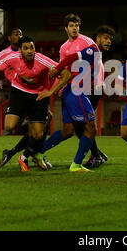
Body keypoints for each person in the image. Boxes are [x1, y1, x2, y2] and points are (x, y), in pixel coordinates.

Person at [0, 36, 58, 172]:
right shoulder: (11, 57)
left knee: (37, 133)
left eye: (32, 47)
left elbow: (61, 72)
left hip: (38, 96)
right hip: (19, 93)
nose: (30, 51)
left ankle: (26, 154)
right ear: (20, 50)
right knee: (9, 126)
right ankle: (31, 144)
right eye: (26, 48)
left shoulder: (42, 60)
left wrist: (53, 90)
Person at [37, 27, 114, 172]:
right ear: (97, 38)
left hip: (70, 91)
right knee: (91, 128)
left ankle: (37, 152)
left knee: (68, 130)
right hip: (76, 92)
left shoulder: (97, 53)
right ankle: (77, 164)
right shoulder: (93, 50)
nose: (108, 41)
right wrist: (57, 69)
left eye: (110, 39)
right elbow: (70, 57)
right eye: (105, 38)